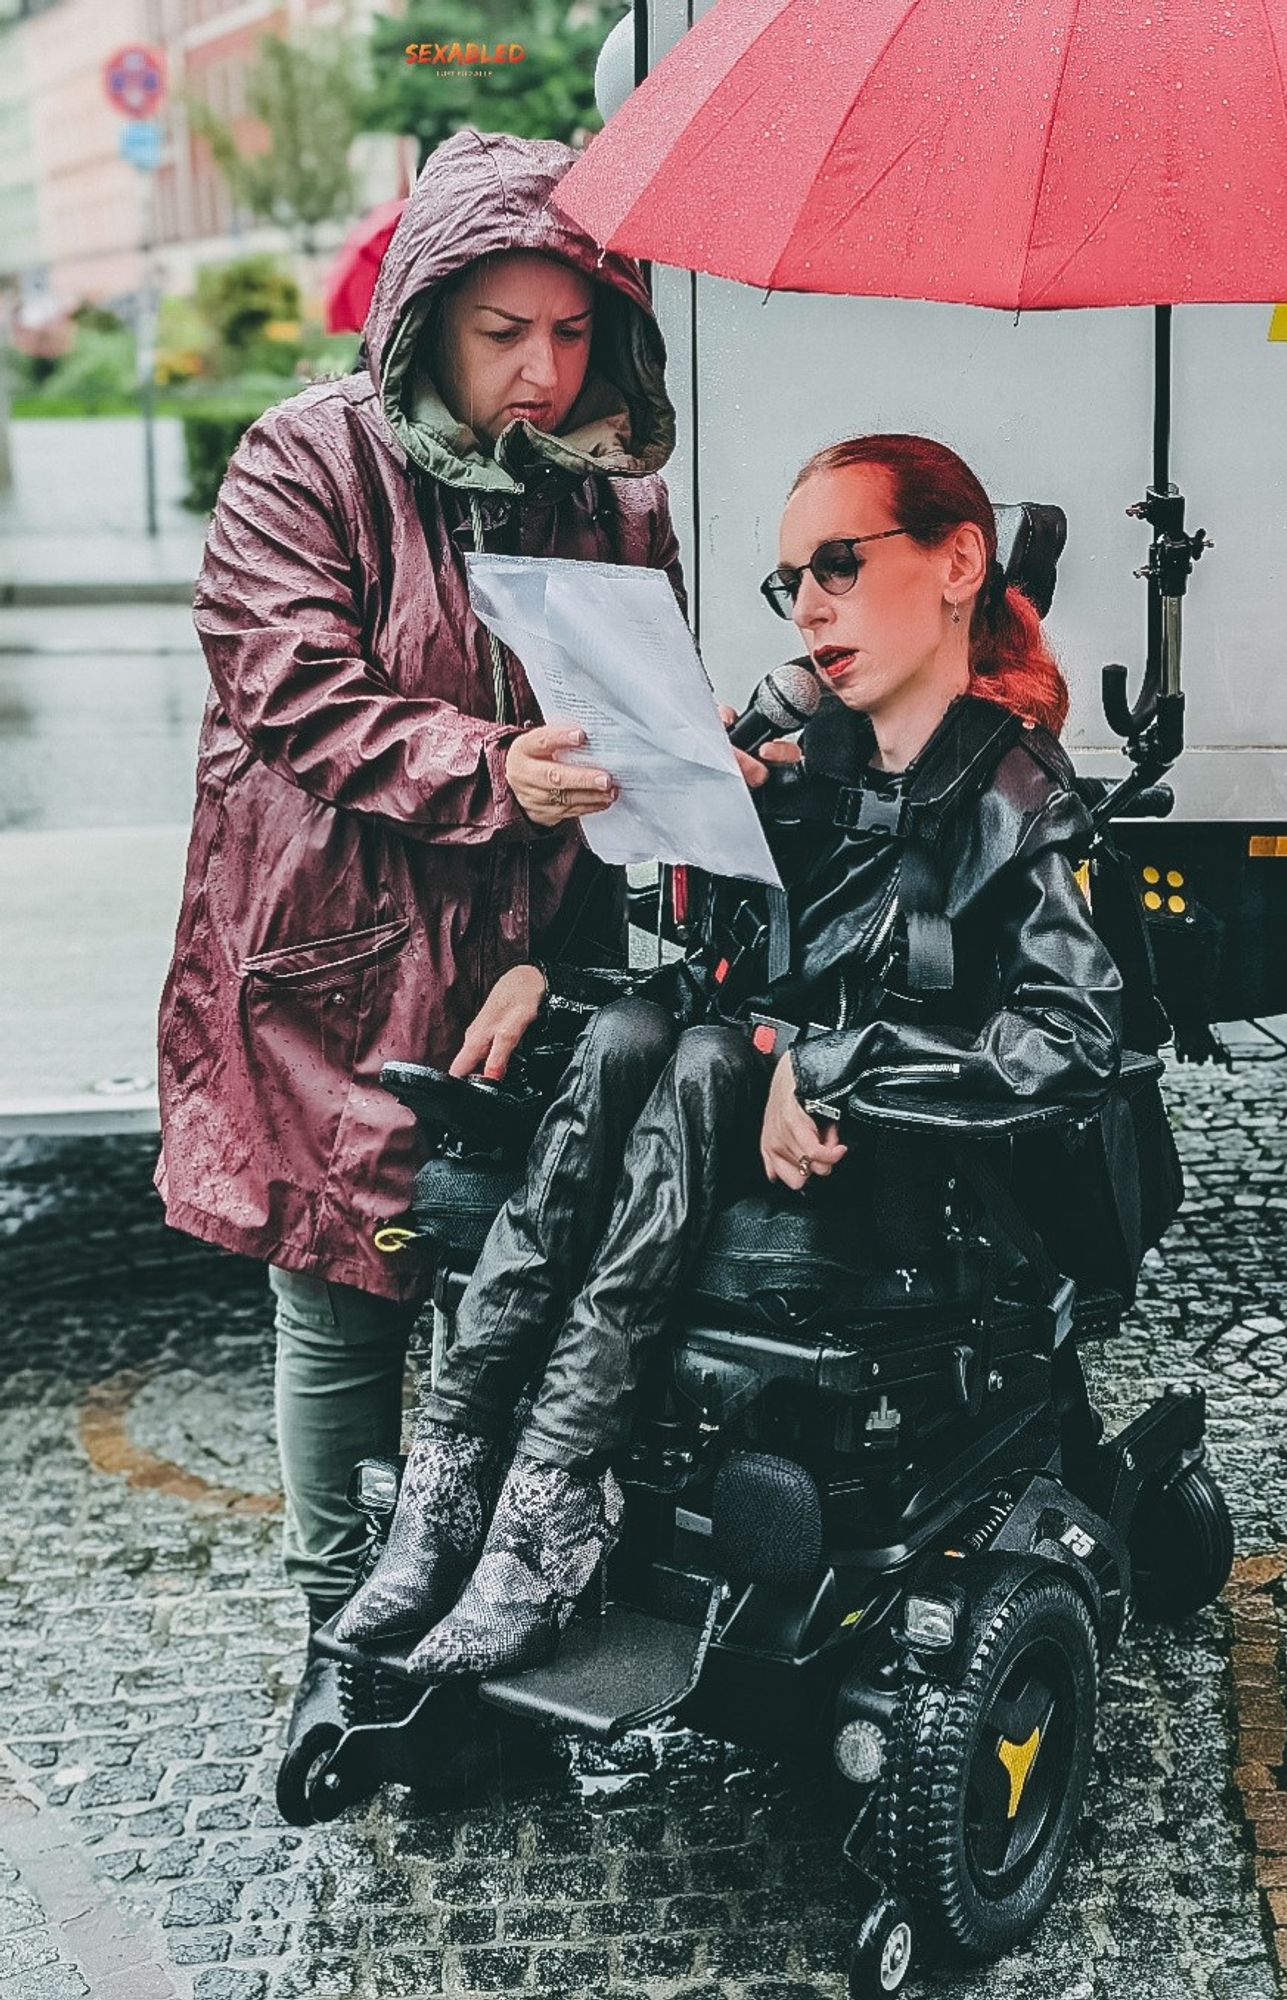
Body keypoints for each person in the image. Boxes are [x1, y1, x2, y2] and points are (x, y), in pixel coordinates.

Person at [335, 432, 1125, 1679]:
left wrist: (829, 1064)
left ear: (959, 560)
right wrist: (556, 977)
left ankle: (552, 1499)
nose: (809, 606)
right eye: (788, 582)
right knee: (640, 1029)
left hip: (913, 1196)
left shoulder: (1013, 797)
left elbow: (1068, 1040)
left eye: (840, 566)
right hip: (751, 1132)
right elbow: (726, 972)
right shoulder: (817, 762)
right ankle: (461, 1478)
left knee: (704, 1056)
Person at [153, 132, 767, 1722]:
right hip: (329, 957)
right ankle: (330, 1636)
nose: (541, 373)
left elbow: (626, 715)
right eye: (503, 335)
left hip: (517, 957)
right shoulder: (305, 463)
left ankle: (465, 1589)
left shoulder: (613, 496)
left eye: (571, 332)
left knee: (512, 1277)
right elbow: (292, 693)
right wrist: (492, 768)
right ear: (425, 318)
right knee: (341, 1283)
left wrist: (680, 757)